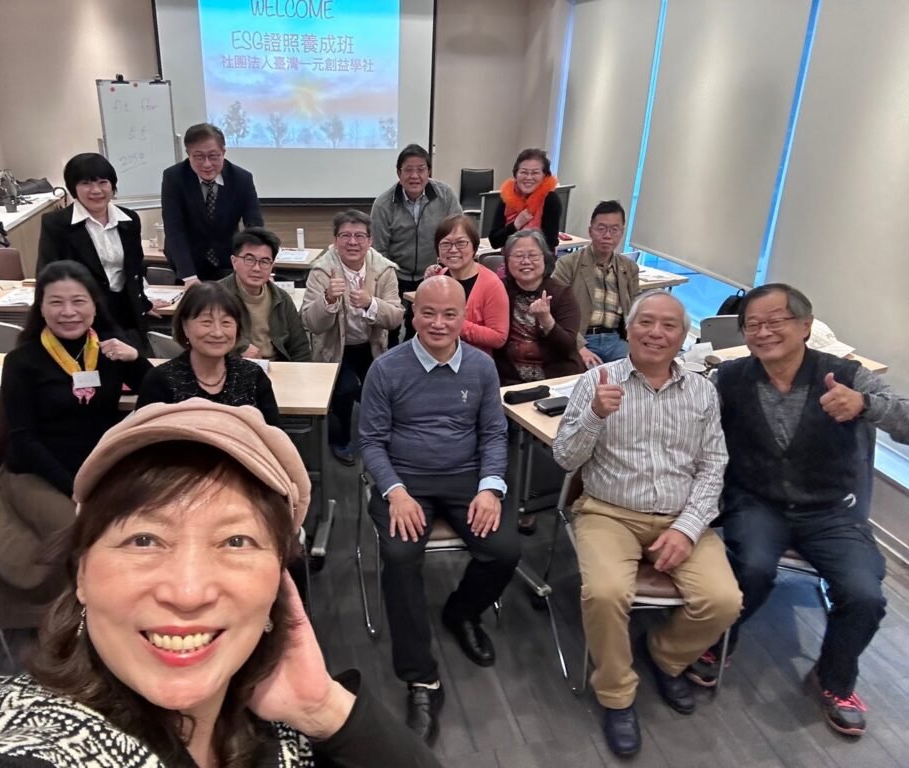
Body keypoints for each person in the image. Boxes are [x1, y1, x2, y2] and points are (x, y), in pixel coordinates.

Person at [0, 401, 443, 768]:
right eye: (144, 540)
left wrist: (322, 708)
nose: (188, 592)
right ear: (81, 573)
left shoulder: (284, 724)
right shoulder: (46, 742)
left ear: (279, 584)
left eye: (236, 541)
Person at [686, 284, 909, 737]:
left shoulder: (845, 374)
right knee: (751, 567)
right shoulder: (730, 377)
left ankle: (834, 679)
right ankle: (719, 641)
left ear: (806, 326)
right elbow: (689, 413)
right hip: (757, 501)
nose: (763, 332)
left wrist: (864, 405)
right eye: (752, 324)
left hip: (831, 510)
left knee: (864, 594)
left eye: (776, 321)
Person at [552, 291, 742, 759]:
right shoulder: (597, 380)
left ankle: (665, 655)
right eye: (645, 322)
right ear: (628, 328)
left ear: (684, 335)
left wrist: (688, 528)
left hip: (681, 515)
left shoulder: (701, 390)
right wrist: (594, 415)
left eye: (669, 325)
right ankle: (616, 693)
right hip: (608, 512)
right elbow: (565, 458)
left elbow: (713, 466)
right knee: (605, 592)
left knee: (724, 601)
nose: (656, 333)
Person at [358, 276, 520, 745]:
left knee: (505, 550)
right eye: (428, 313)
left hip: (465, 478)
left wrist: (490, 488)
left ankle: (461, 612)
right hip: (405, 481)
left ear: (464, 317)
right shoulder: (387, 369)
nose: (438, 323)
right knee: (401, 556)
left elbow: (494, 434)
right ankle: (421, 679)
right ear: (413, 314)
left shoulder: (482, 368)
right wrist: (395, 492)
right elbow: (371, 441)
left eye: (450, 314)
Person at [1, 260, 151, 504]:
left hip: (100, 464)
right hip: (40, 472)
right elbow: (24, 440)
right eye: (56, 302)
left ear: (95, 305)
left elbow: (157, 394)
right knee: (80, 525)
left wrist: (136, 359)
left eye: (79, 301)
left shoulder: (109, 348)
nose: (68, 312)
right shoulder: (21, 361)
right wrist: (75, 488)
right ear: (41, 308)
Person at [300, 210, 403, 464]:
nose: (352, 242)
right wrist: (328, 300)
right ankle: (340, 438)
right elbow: (310, 323)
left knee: (382, 389)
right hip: (335, 346)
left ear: (370, 241)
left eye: (359, 236)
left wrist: (371, 304)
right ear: (335, 240)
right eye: (345, 236)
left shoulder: (384, 270)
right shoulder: (321, 271)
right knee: (345, 389)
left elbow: (395, 318)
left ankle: (377, 439)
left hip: (371, 344)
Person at [37, 152, 161, 348]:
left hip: (128, 313)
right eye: (86, 183)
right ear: (73, 188)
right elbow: (47, 274)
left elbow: (135, 267)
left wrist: (144, 303)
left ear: (113, 186)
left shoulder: (129, 220)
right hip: (83, 315)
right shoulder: (57, 224)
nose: (96, 190)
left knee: (134, 361)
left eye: (103, 182)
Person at [135, 282, 280, 426]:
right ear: (185, 326)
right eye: (206, 322)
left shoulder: (252, 375)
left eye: (226, 322)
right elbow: (141, 437)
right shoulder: (160, 380)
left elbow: (274, 434)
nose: (217, 333)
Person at [370, 143, 462, 347]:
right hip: (394, 276)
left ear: (429, 172)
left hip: (434, 273)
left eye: (421, 169)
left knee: (422, 329)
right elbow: (379, 252)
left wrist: (442, 269)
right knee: (391, 330)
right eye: (408, 170)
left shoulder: (445, 195)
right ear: (398, 173)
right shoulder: (383, 204)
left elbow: (457, 233)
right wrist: (389, 280)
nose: (415, 176)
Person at [161, 122, 264, 284]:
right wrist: (189, 277)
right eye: (199, 157)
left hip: (227, 260)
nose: (207, 164)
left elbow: (254, 225)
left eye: (213, 156)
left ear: (223, 152)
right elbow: (174, 229)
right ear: (188, 154)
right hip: (187, 263)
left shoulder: (241, 179)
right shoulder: (174, 178)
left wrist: (256, 265)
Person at [551, 200, 638, 367]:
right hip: (582, 338)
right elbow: (555, 310)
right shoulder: (568, 264)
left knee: (637, 371)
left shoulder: (629, 268)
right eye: (601, 228)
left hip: (616, 339)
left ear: (622, 232)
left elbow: (636, 311)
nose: (607, 236)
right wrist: (579, 346)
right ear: (590, 231)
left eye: (614, 230)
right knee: (589, 375)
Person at [494, 229, 584, 384]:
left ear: (545, 259)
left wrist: (547, 320)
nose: (526, 261)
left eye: (533, 255)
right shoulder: (498, 290)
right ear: (507, 261)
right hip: (510, 381)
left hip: (555, 379)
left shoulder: (562, 293)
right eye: (518, 256)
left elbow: (568, 348)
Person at [422, 213, 509, 356]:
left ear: (474, 246)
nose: (453, 249)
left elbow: (499, 337)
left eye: (461, 243)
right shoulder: (439, 276)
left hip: (473, 362)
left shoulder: (492, 285)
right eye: (445, 244)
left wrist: (454, 324)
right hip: (435, 358)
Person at [220, 228, 311, 362]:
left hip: (277, 367)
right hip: (233, 366)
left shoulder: (281, 298)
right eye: (249, 259)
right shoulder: (216, 296)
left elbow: (300, 348)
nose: (256, 268)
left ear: (272, 265)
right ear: (234, 262)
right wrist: (240, 347)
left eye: (264, 261)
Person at [488, 148, 562, 253]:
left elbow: (550, 243)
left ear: (544, 176)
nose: (529, 177)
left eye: (535, 173)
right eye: (524, 172)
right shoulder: (506, 197)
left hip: (540, 259)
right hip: (510, 258)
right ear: (516, 174)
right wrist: (516, 224)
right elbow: (494, 242)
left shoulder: (550, 199)